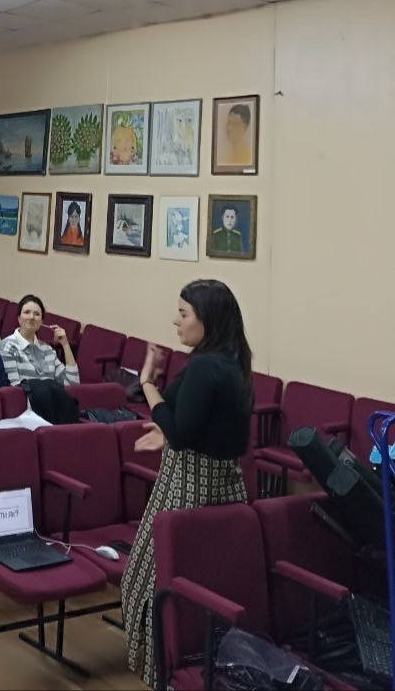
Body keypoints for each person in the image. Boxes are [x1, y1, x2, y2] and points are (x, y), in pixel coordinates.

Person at [121, 279, 253, 687]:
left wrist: (147, 383)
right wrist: (165, 427)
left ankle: (162, 669)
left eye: (183, 314)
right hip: (223, 484)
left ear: (207, 320)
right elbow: (194, 422)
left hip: (188, 486)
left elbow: (179, 431)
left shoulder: (204, 366)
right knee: (204, 579)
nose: (176, 322)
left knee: (151, 579)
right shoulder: (230, 360)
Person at [0, 295, 78, 387]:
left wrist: (65, 344)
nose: (32, 317)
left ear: (41, 322)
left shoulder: (48, 350)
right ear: (19, 318)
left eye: (37, 314)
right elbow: (13, 390)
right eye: (27, 312)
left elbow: (73, 384)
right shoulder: (8, 346)